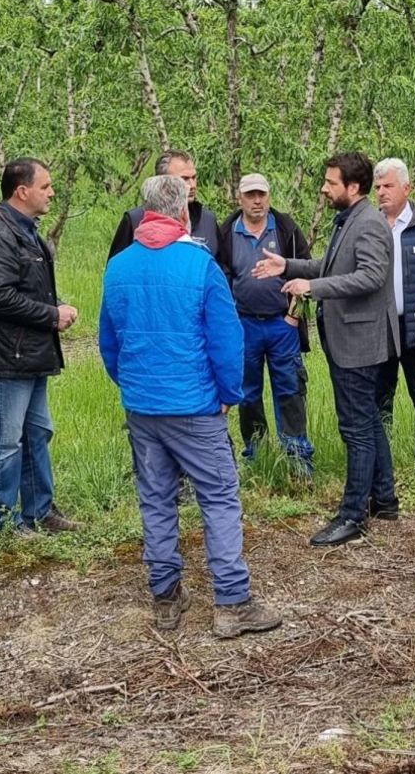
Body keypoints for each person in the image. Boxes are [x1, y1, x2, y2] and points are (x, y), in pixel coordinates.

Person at [99, 174, 281, 638]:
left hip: (143, 407)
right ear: (183, 213)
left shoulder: (118, 267)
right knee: (219, 498)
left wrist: (135, 386)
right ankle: (233, 603)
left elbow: (109, 344)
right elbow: (226, 341)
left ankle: (165, 597)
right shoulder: (201, 266)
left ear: (144, 213)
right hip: (195, 405)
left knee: (156, 499)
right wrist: (226, 397)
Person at [254, 152, 399, 546]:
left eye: (331, 182)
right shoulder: (352, 220)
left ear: (353, 187)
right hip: (352, 338)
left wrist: (311, 289)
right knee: (367, 420)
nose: (324, 188)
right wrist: (288, 265)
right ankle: (384, 499)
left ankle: (353, 516)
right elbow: (333, 265)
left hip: (360, 342)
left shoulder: (367, 223)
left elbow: (370, 276)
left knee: (356, 428)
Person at [0, 158, 81, 536]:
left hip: (33, 354)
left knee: (37, 432)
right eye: (45, 186)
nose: (51, 193)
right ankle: (3, 520)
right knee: (7, 443)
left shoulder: (30, 232)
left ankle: (39, 512)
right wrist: (51, 315)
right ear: (22, 191)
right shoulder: (0, 232)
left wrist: (53, 314)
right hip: (8, 357)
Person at [219, 172, 314, 473]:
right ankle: (256, 455)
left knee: (290, 390)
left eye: (262, 194)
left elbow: (305, 273)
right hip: (244, 324)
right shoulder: (226, 232)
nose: (257, 200)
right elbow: (221, 279)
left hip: (281, 324)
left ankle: (298, 457)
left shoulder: (285, 228)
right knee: (247, 392)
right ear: (240, 198)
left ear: (269, 195)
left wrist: (292, 318)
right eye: (251, 195)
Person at [373, 158, 415, 467]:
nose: (381, 193)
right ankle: (381, 460)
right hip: (380, 329)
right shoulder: (370, 226)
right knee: (379, 400)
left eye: (388, 186)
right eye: (377, 187)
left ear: (406, 187)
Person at [107, 148, 220, 261]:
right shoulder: (135, 220)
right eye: (184, 179)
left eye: (194, 177)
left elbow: (223, 268)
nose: (192, 185)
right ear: (163, 182)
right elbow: (116, 267)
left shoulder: (207, 220)